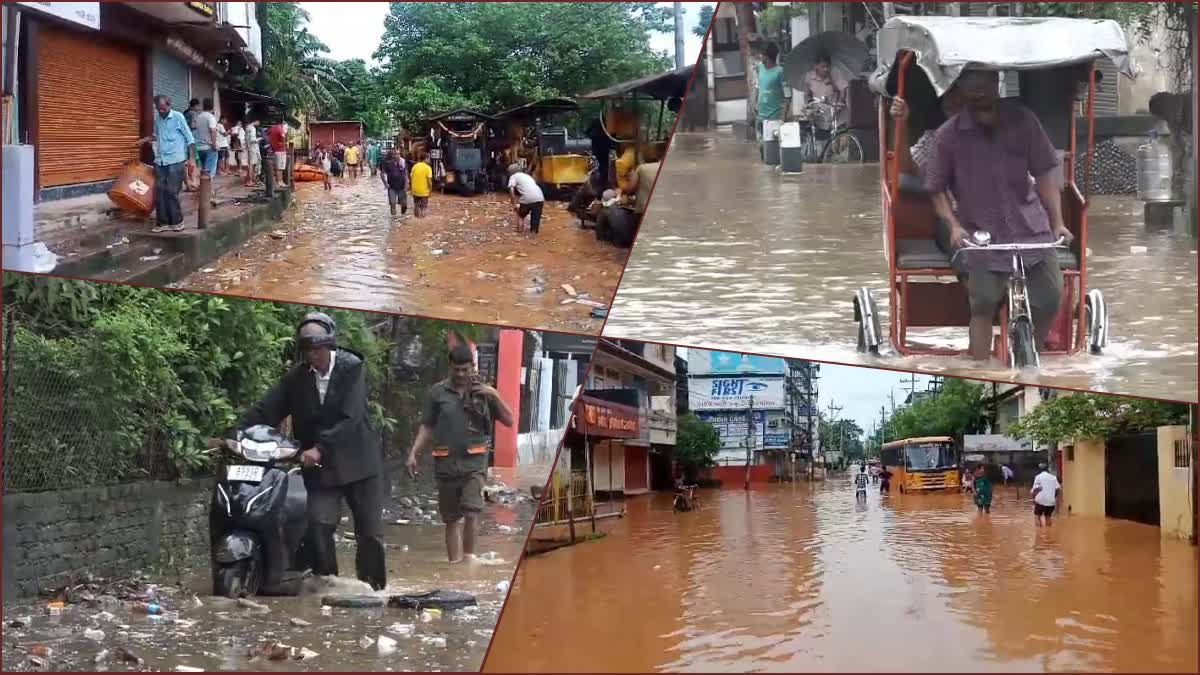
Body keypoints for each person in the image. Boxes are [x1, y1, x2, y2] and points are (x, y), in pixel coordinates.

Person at [925, 69, 1071, 363]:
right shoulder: (948, 136)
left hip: (1031, 228)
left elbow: (1045, 173)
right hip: (982, 234)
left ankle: (1033, 354)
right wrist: (953, 226)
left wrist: (1058, 222)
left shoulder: (1024, 121)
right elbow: (936, 189)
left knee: (1050, 297)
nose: (979, 92)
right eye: (971, 86)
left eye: (985, 84)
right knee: (983, 304)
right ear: (961, 90)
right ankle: (979, 372)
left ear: (996, 84)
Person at [235, 313, 387, 590]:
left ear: (330, 345)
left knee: (370, 534)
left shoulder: (352, 368)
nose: (313, 355)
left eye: (318, 348)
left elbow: (350, 417)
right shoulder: (297, 378)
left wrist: (319, 447)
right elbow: (267, 408)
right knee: (318, 524)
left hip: (360, 465)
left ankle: (373, 590)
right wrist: (236, 433)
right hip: (322, 471)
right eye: (307, 349)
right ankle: (328, 585)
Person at [406, 344, 516, 564]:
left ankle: (469, 560)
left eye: (465, 370)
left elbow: (509, 420)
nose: (460, 374)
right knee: (451, 519)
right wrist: (413, 453)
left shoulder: (484, 393)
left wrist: (494, 394)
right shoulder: (437, 393)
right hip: (445, 464)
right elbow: (427, 426)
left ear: (472, 367)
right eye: (456, 369)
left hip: (474, 464)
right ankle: (454, 567)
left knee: (472, 511)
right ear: (450, 367)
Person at [136, 95, 195, 234]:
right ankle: (162, 223)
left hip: (176, 160)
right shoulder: (158, 120)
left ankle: (177, 221)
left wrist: (192, 159)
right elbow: (156, 136)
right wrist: (144, 140)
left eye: (163, 108)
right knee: (159, 192)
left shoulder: (178, 117)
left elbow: (190, 139)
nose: (161, 111)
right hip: (160, 161)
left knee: (171, 192)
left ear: (169, 105)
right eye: (158, 109)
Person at [754, 41, 789, 140]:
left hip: (775, 119)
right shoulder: (759, 68)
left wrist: (783, 118)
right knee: (761, 147)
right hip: (760, 117)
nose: (760, 56)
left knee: (772, 150)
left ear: (766, 56)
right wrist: (755, 102)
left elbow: (787, 96)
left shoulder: (780, 72)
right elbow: (758, 86)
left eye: (762, 54)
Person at [507, 164, 546, 237]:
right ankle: (533, 235)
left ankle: (519, 231)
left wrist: (514, 204)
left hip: (527, 198)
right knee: (536, 219)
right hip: (540, 197)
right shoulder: (527, 176)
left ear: (511, 172)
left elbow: (511, 190)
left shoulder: (513, 176)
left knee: (520, 215)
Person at [1031, 462, 1061, 527]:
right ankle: (1048, 533)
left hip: (1040, 500)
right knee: (1048, 517)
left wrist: (1033, 498)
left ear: (1039, 470)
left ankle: (1039, 533)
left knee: (1037, 516)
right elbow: (1058, 489)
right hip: (1051, 501)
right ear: (1047, 469)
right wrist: (1053, 496)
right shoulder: (1053, 477)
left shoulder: (1038, 477)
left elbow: (1035, 489)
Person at [380, 149, 408, 217]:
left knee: (404, 204)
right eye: (395, 154)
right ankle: (394, 220)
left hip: (401, 186)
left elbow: (406, 174)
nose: (397, 156)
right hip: (392, 187)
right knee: (393, 203)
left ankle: (403, 217)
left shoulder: (403, 163)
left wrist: (407, 185)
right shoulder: (388, 164)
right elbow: (382, 173)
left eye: (398, 154)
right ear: (393, 155)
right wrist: (385, 183)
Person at [410, 152, 433, 218]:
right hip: (424, 191)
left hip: (415, 190)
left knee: (416, 205)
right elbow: (429, 181)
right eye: (429, 158)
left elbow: (411, 178)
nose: (429, 160)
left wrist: (412, 189)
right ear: (426, 159)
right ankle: (422, 220)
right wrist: (430, 191)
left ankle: (416, 218)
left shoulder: (415, 166)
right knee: (423, 207)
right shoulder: (428, 168)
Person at [267, 120, 289, 186]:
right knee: (280, 167)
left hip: (275, 150)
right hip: (280, 150)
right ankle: (279, 181)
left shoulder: (271, 129)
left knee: (278, 167)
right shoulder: (280, 128)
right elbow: (283, 137)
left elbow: (268, 137)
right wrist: (284, 142)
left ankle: (280, 181)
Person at [244, 119, 262, 188]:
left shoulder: (248, 127)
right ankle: (250, 181)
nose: (259, 123)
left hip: (250, 148)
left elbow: (247, 139)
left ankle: (249, 180)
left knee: (251, 164)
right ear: (256, 121)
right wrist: (258, 139)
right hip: (253, 149)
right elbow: (252, 140)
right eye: (259, 122)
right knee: (252, 165)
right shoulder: (252, 128)